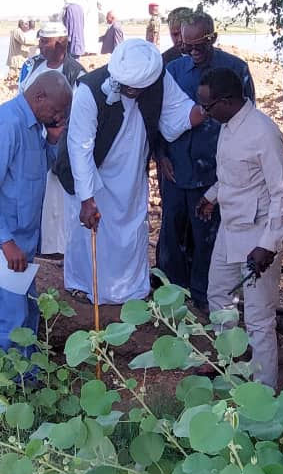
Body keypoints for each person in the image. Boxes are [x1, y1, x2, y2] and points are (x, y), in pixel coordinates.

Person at [53, 39, 204, 304]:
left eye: (134, 88)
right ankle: (84, 285)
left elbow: (179, 112)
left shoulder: (158, 79)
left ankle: (131, 290)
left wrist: (208, 109)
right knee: (88, 231)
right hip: (89, 167)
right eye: (125, 86)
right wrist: (87, 198)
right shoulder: (89, 89)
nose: (127, 90)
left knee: (131, 224)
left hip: (131, 166)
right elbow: (80, 148)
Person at [195, 68, 283, 388]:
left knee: (258, 317)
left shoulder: (262, 132)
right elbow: (233, 176)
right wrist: (211, 196)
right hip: (230, 228)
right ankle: (227, 363)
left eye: (207, 107)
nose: (203, 113)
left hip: (258, 234)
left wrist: (269, 244)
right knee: (218, 295)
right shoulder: (228, 124)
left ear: (227, 101)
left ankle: (264, 390)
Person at [0, 71, 72, 354]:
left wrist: (52, 141)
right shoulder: (7, 124)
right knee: (7, 321)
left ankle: (26, 381)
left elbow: (35, 172)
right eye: (57, 110)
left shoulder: (36, 126)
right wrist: (5, 242)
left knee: (28, 314)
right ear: (39, 98)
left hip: (19, 240)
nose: (60, 116)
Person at [157, 11, 255, 313]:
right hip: (175, 169)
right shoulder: (172, 70)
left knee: (208, 240)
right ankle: (171, 297)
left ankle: (205, 298)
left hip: (213, 173)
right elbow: (157, 116)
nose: (193, 52)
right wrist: (159, 154)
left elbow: (246, 122)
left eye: (200, 45)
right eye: (186, 47)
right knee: (172, 234)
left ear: (213, 37)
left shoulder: (235, 69)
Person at [17, 22, 87, 257]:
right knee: (36, 193)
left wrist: (57, 135)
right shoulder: (32, 66)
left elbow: (76, 113)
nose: (40, 46)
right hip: (33, 140)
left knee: (57, 199)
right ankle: (38, 243)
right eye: (40, 41)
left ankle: (56, 247)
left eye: (45, 42)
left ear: (61, 43)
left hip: (58, 141)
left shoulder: (76, 72)